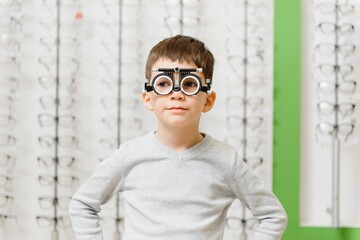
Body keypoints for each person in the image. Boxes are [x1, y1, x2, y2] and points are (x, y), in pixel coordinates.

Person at [69, 35, 287, 240]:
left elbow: (273, 216)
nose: (176, 93)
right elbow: (82, 204)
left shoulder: (226, 160)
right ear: (147, 99)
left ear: (208, 101)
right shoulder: (129, 156)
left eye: (189, 83)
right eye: (163, 83)